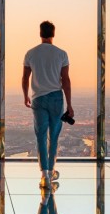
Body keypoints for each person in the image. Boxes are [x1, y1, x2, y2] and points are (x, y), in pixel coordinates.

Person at [22, 21, 74, 189]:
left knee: (41, 136)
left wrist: (25, 96)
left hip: (38, 98)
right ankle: (51, 170)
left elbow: (25, 78)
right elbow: (65, 81)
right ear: (53, 33)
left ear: (40, 33)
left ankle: (44, 174)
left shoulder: (30, 53)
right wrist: (70, 104)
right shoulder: (61, 54)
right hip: (56, 98)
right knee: (54, 137)